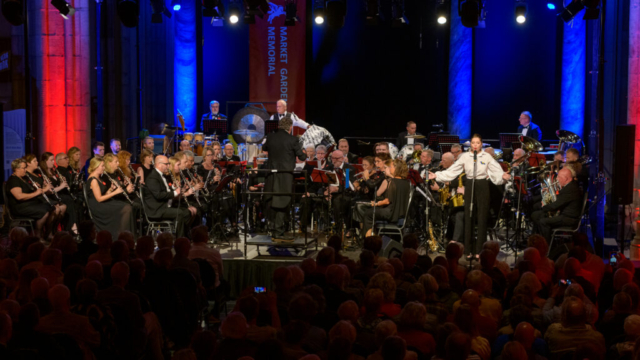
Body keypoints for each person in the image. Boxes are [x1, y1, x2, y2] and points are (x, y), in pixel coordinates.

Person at [429, 134, 511, 256]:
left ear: (481, 144)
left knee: (482, 218)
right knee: (469, 216)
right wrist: (437, 176)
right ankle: (468, 250)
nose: (475, 145)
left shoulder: (487, 156)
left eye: (477, 143)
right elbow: (453, 171)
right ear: (471, 144)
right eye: (473, 143)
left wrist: (503, 177)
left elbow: (497, 173)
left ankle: (479, 251)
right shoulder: (466, 157)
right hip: (470, 184)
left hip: (482, 185)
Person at [263, 116, 306, 240]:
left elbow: (264, 148)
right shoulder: (292, 140)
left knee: (271, 200)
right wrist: (304, 153)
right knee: (282, 201)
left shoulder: (271, 137)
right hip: (285, 175)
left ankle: (273, 229)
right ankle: (278, 231)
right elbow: (302, 157)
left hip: (271, 174)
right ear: (290, 127)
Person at [141, 155, 192, 237]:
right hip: (156, 210)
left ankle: (183, 237)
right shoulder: (152, 177)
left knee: (186, 212)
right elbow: (158, 195)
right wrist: (175, 192)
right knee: (180, 213)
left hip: (163, 207)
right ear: (159, 164)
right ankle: (179, 239)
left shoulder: (161, 175)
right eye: (166, 164)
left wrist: (173, 188)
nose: (168, 166)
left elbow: (164, 190)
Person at [85, 157, 135, 239]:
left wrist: (111, 189)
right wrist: (115, 192)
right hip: (98, 206)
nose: (104, 168)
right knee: (126, 208)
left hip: (102, 203)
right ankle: (121, 236)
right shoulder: (93, 180)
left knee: (125, 205)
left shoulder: (98, 178)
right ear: (96, 167)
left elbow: (103, 194)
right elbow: (99, 198)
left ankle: (122, 233)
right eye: (102, 166)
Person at [359, 159, 411, 236]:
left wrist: (376, 204)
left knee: (368, 212)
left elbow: (387, 200)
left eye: (391, 167)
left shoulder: (391, 181)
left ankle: (367, 238)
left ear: (397, 168)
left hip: (391, 212)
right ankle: (370, 235)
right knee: (367, 210)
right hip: (401, 212)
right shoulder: (407, 182)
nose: (389, 168)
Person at [531, 168, 582, 246]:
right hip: (565, 216)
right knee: (537, 215)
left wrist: (543, 207)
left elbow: (555, 205)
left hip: (568, 219)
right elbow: (559, 201)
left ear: (566, 178)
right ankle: (537, 242)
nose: (557, 179)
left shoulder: (570, 189)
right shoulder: (570, 186)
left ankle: (547, 247)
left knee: (543, 222)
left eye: (559, 177)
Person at [6, 158, 56, 238]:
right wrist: (36, 192)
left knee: (52, 207)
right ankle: (37, 236)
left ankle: (47, 234)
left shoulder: (24, 178)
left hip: (29, 204)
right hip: (20, 207)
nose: (25, 170)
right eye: (23, 168)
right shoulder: (13, 180)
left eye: (26, 167)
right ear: (16, 169)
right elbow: (19, 196)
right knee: (44, 212)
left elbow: (28, 190)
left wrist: (35, 187)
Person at [40, 152, 78, 232]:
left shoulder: (54, 172)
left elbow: (57, 186)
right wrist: (61, 186)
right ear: (45, 161)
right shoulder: (43, 174)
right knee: (68, 200)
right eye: (51, 160)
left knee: (72, 199)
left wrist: (62, 182)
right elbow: (49, 191)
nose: (53, 162)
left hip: (58, 195)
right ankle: (71, 228)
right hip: (51, 197)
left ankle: (72, 226)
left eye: (53, 160)